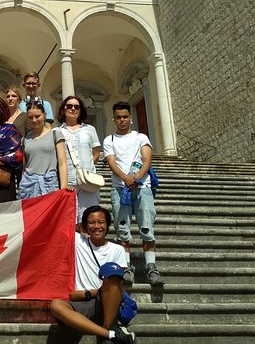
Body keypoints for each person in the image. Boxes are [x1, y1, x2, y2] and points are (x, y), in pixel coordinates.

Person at [49, 206, 136, 344]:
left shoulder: (118, 249)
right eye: (91, 222)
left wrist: (87, 293)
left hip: (106, 303)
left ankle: (108, 327)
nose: (97, 226)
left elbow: (116, 285)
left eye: (101, 222)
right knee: (56, 305)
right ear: (84, 226)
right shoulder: (78, 241)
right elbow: (55, 223)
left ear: (107, 225)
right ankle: (109, 333)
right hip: (83, 306)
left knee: (111, 273)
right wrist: (65, 190)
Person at [102, 101, 162, 286]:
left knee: (146, 228)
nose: (122, 120)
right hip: (120, 188)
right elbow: (112, 163)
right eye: (118, 117)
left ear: (131, 118)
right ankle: (126, 267)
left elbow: (147, 160)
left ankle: (151, 267)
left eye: (125, 117)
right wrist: (125, 179)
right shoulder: (109, 140)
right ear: (114, 119)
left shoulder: (141, 137)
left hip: (142, 188)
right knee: (122, 230)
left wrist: (136, 178)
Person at [57, 96, 102, 225]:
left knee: (89, 221)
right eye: (69, 106)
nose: (73, 109)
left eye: (77, 107)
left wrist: (86, 170)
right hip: (68, 182)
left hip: (88, 182)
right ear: (63, 109)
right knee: (69, 223)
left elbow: (96, 154)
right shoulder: (56, 131)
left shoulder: (90, 129)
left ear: (81, 110)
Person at [17, 103, 71, 199]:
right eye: (30, 117)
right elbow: (24, 167)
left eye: (37, 116)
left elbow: (62, 163)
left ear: (44, 115)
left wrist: (63, 187)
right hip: (28, 185)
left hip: (49, 183)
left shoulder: (55, 134)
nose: (34, 120)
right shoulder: (24, 140)